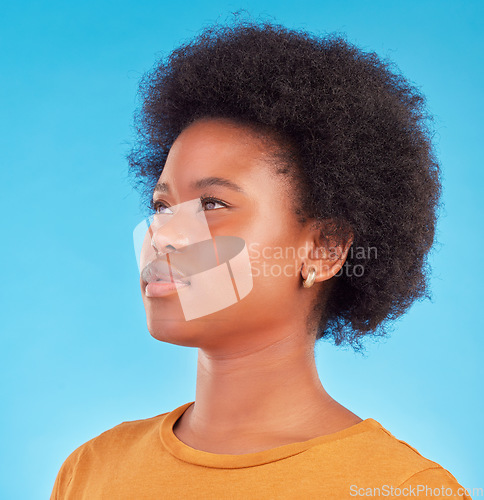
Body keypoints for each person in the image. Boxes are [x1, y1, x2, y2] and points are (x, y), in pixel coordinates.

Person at [51, 16, 471, 499]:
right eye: (162, 206)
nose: (163, 236)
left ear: (324, 249)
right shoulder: (92, 470)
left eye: (212, 204)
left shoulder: (399, 489)